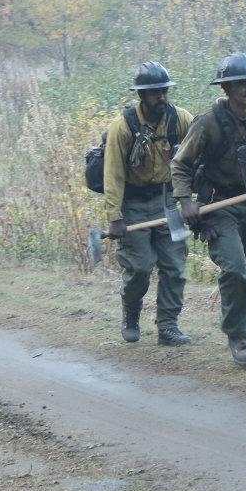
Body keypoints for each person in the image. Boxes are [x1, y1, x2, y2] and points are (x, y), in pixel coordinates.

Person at [169, 53, 246, 367]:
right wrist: (185, 201)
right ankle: (238, 336)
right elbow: (180, 165)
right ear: (227, 89)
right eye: (240, 84)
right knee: (237, 271)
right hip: (220, 207)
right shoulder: (208, 124)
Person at [102, 61, 194, 346]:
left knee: (175, 267)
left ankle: (168, 326)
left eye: (164, 91)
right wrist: (115, 217)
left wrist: (193, 198)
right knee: (140, 267)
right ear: (142, 95)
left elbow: (199, 158)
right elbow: (114, 175)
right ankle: (131, 313)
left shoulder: (181, 120)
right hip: (133, 203)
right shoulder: (123, 127)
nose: (161, 97)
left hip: (168, 199)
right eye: (155, 93)